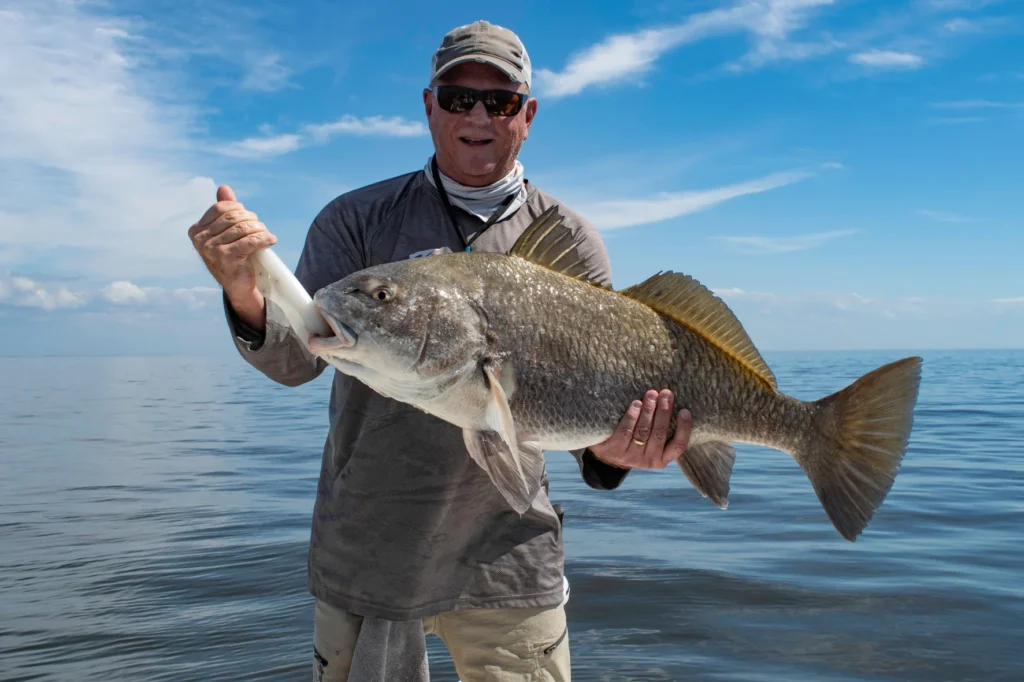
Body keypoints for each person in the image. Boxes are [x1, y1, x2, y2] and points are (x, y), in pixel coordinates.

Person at [188, 19, 692, 682]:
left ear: (527, 114)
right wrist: (244, 290)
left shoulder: (570, 238)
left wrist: (614, 454)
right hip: (370, 551)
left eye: (500, 100)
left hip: (510, 561)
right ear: (429, 106)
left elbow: (591, 401)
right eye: (458, 98)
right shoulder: (357, 219)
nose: (478, 114)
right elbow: (296, 358)